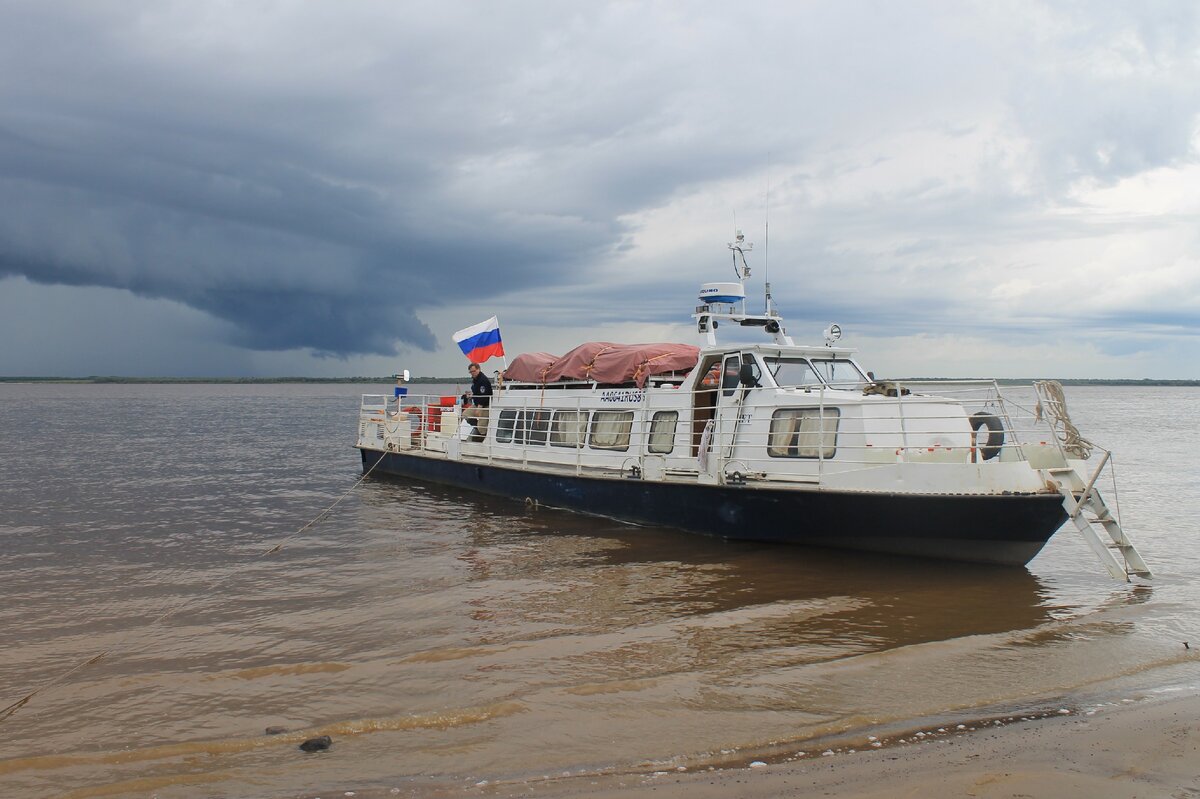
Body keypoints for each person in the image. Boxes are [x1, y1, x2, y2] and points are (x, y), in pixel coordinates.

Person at [467, 362, 492, 440]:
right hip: (477, 403)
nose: (472, 373)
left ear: (478, 369)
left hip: (485, 405)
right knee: (465, 415)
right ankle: (477, 428)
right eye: (471, 372)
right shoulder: (475, 380)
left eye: (474, 371)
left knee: (482, 426)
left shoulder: (483, 380)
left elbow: (484, 395)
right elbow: (477, 391)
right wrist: (472, 395)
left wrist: (479, 407)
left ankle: (483, 436)